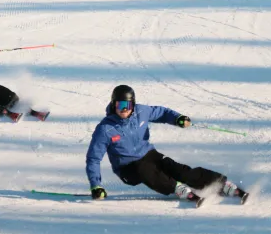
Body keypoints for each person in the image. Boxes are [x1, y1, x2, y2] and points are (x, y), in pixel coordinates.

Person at [85, 84, 248, 204]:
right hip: (127, 168)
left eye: (127, 105)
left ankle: (221, 183)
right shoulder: (105, 129)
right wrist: (96, 185)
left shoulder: (142, 112)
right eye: (119, 105)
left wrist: (178, 118)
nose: (123, 109)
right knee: (145, 170)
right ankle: (177, 188)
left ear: (133, 104)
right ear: (113, 105)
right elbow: (93, 158)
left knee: (178, 169)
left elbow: (162, 112)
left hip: (148, 154)